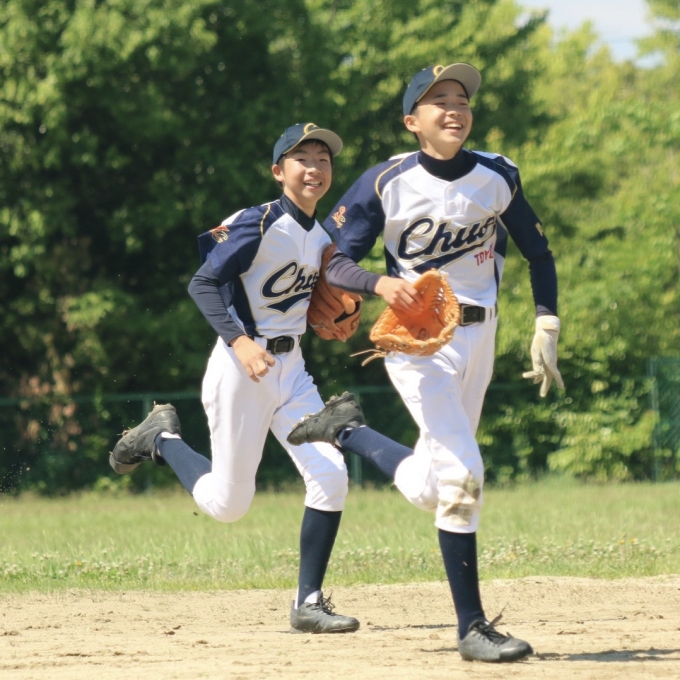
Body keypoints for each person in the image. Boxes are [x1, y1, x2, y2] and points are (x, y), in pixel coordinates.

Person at [287, 63, 564, 662]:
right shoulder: (386, 182)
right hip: (417, 344)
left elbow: (539, 253)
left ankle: (346, 431)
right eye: (439, 100)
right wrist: (380, 284)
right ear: (413, 121)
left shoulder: (498, 174)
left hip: (480, 338)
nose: (454, 108)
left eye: (461, 98)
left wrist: (547, 320)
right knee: (464, 474)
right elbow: (334, 261)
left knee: (431, 488)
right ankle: (472, 628)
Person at [109, 123, 360, 635]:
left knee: (331, 475)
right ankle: (160, 440)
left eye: (323, 159)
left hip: (292, 371)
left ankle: (308, 602)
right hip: (241, 368)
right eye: (303, 158)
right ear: (278, 171)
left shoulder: (322, 237)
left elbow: (315, 301)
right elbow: (203, 282)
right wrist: (240, 340)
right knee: (228, 505)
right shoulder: (258, 222)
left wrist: (341, 313)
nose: (315, 167)